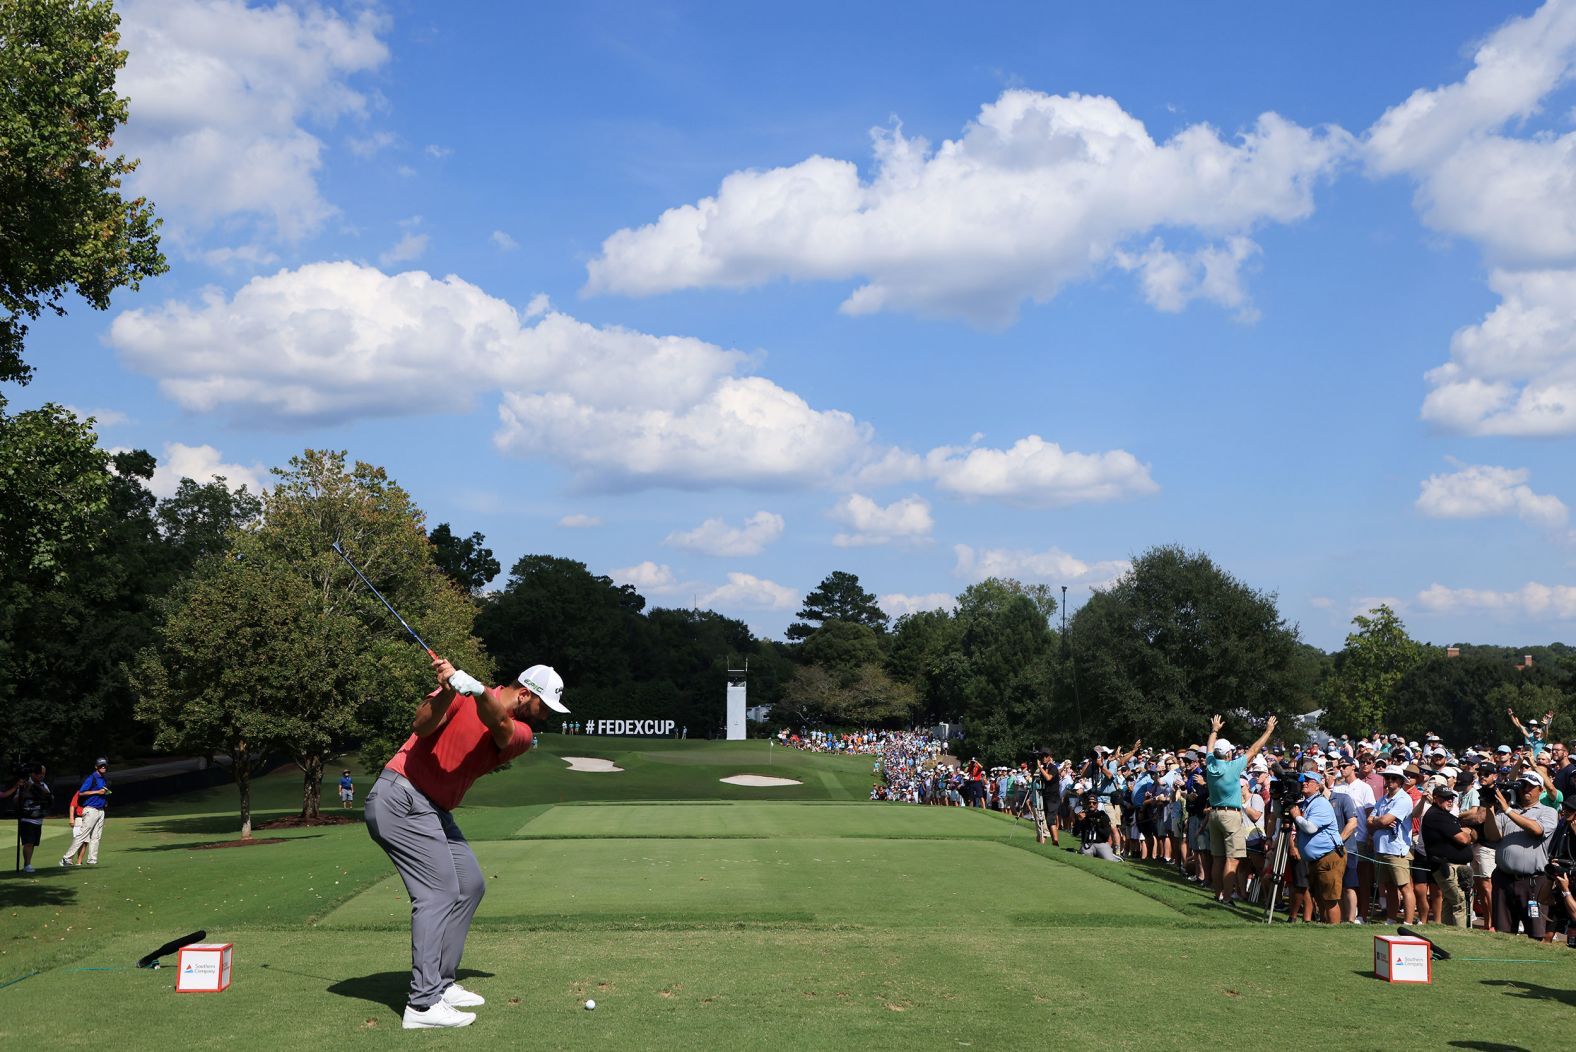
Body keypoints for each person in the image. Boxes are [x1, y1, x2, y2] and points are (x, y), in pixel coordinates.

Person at [365, 655, 568, 1029]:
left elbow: (499, 724)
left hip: (434, 810)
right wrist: (446, 690)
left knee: (469, 884)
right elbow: (421, 726)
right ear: (525, 695)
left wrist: (473, 689)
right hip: (400, 797)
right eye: (543, 708)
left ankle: (441, 983)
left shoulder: (520, 734)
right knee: (437, 893)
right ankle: (422, 1006)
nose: (544, 718)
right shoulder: (459, 692)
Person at [1203, 713, 1277, 904]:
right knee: (1232, 860)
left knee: (1218, 859)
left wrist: (1214, 730)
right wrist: (1268, 731)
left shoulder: (1210, 765)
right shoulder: (1233, 767)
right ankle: (1227, 898)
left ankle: (1217, 894)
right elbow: (1254, 748)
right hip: (1230, 815)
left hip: (1214, 814)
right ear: (1228, 754)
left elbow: (1210, 746)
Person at [1481, 772, 1558, 939]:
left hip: (1533, 881)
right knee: (1503, 931)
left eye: (1531, 786)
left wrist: (1507, 809)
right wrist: (1489, 808)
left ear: (1541, 789)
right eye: (1523, 785)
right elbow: (1492, 836)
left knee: (1536, 933)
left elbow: (1537, 830)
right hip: (1504, 879)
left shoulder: (1548, 811)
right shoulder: (1506, 812)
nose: (1526, 789)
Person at [1291, 771, 1344, 924]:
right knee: (1320, 898)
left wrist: (1296, 816)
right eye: (1303, 780)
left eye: (1309, 780)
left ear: (1318, 785)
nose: (1304, 782)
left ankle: (1334, 932)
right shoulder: (1307, 803)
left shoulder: (1320, 803)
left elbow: (1310, 828)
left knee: (1330, 899)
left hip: (1329, 856)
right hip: (1316, 859)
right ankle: (1324, 929)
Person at [1420, 784, 1476, 928]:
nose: (1450, 801)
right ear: (1436, 799)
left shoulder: (1444, 815)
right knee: (1460, 902)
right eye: (1446, 798)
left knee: (1450, 902)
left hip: (1453, 866)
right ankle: (1461, 936)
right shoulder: (1436, 815)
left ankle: (1448, 933)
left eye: (1451, 798)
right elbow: (1463, 838)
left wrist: (1467, 832)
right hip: (1446, 866)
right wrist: (1469, 834)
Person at [1370, 765, 1416, 924]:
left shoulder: (1404, 799)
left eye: (1393, 778)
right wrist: (1379, 821)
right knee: (1389, 886)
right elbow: (1371, 821)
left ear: (1401, 781)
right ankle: (1391, 919)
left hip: (1397, 849)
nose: (1389, 780)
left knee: (1405, 887)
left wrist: (1379, 821)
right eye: (1387, 777)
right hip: (1382, 848)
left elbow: (1383, 820)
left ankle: (1408, 922)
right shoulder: (1383, 799)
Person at [0, 764, 51, 873]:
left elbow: (49, 797)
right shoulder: (24, 785)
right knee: (28, 842)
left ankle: (28, 864)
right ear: (33, 774)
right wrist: (25, 789)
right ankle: (27, 865)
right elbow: (15, 800)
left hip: (38, 818)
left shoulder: (43, 785)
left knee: (33, 843)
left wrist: (34, 787)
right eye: (39, 773)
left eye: (43, 774)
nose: (41, 776)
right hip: (27, 818)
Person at [60, 758, 109, 867]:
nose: (103, 767)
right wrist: (98, 791)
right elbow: (81, 793)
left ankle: (92, 859)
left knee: (96, 837)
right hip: (91, 810)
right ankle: (66, 858)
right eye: (101, 765)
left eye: (105, 765)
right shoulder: (92, 778)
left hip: (100, 810)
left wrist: (104, 798)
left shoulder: (103, 779)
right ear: (96, 767)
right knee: (82, 835)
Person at [1074, 791, 1120, 861]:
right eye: (1089, 803)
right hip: (1087, 844)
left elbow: (1106, 835)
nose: (1091, 805)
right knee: (1085, 858)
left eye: (1094, 803)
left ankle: (1114, 855)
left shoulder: (1103, 815)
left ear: (1097, 804)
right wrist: (1079, 821)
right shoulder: (1083, 815)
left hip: (1101, 844)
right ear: (1087, 804)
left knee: (1110, 860)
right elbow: (1075, 833)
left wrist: (1096, 823)